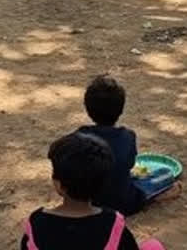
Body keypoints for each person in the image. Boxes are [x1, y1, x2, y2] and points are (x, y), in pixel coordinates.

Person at [20, 132, 165, 250]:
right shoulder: (113, 224)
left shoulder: (36, 223)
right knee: (153, 246)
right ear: (102, 185)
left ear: (58, 185)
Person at [77, 75, 180, 215]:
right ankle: (152, 199)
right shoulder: (127, 137)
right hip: (124, 203)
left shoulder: (79, 137)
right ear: (121, 110)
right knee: (165, 174)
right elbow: (130, 165)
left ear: (87, 108)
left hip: (87, 201)